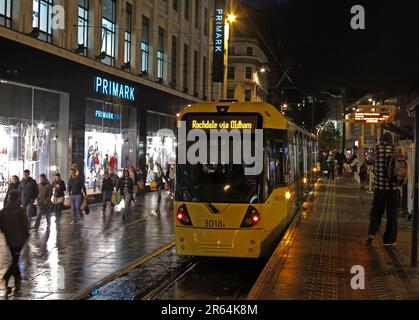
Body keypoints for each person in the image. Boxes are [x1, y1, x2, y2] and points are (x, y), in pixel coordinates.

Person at [366, 133, 400, 246]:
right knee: (392, 214)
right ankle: (389, 240)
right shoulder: (395, 149)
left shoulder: (376, 149)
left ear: (381, 139)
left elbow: (370, 161)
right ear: (391, 140)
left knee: (376, 212)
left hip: (379, 188)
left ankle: (371, 233)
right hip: (393, 188)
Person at [0, 190, 30, 294]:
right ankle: (6, 278)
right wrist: (26, 235)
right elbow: (25, 225)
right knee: (14, 261)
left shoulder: (3, 211)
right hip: (19, 240)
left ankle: (17, 279)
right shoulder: (20, 210)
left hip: (9, 240)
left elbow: (1, 227)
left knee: (15, 259)